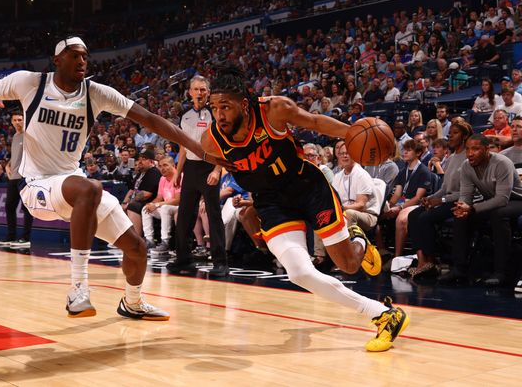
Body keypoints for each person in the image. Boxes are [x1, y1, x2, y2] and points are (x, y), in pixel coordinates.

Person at [0, 36, 225, 320]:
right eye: (74, 55)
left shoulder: (95, 93)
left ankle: (133, 302)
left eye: (85, 56)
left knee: (137, 248)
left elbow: (150, 119)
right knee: (90, 188)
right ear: (57, 60)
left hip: (73, 183)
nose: (81, 61)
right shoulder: (31, 82)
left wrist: (200, 150)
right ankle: (78, 289)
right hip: (36, 184)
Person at [201, 65, 408, 352]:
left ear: (245, 104)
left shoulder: (274, 109)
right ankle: (384, 314)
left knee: (348, 266)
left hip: (307, 186)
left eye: (225, 106)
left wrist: (357, 134)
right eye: (213, 107)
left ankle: (358, 237)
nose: (219, 114)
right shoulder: (212, 138)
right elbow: (211, 157)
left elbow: (315, 122)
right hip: (271, 202)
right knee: (299, 273)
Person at [439, 135, 522, 287]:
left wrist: (471, 208)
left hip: (516, 200)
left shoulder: (502, 163)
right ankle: (459, 268)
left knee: (499, 214)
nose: (470, 153)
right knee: (460, 216)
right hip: (493, 201)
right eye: (468, 149)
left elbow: (502, 199)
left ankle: (500, 272)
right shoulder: (466, 166)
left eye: (475, 149)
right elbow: (466, 196)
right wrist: (462, 208)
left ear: (486, 150)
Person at [169, 75, 228, 277]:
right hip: (191, 170)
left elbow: (223, 145)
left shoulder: (216, 113)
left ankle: (220, 262)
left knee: (213, 214)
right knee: (185, 215)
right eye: (196, 89)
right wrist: (178, 171)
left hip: (210, 166)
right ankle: (183, 259)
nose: (200, 93)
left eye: (203, 89)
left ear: (208, 92)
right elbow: (183, 147)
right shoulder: (185, 116)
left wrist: (217, 170)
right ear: (190, 92)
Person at [407, 118, 472, 280]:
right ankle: (423, 261)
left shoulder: (468, 158)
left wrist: (440, 201)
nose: (450, 136)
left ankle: (433, 261)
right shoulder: (450, 158)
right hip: (446, 198)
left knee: (425, 218)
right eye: (450, 133)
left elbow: (465, 192)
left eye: (455, 133)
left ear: (464, 136)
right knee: (413, 215)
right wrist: (430, 198)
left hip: (459, 201)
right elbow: (444, 188)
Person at [0, 111, 33, 247]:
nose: (18, 122)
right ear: (11, 122)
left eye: (20, 119)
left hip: (26, 177)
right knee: (9, 207)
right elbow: (15, 156)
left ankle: (25, 238)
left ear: (24, 120)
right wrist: (8, 166)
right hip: (14, 177)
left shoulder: (29, 135)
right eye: (15, 120)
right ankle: (11, 236)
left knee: (26, 208)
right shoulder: (15, 137)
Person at [142, 156, 181, 253]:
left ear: (173, 165)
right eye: (160, 166)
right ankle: (149, 240)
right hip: (165, 207)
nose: (162, 168)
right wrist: (152, 204)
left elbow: (177, 200)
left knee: (164, 208)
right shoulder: (162, 179)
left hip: (178, 207)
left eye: (165, 165)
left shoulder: (179, 176)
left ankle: (165, 241)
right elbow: (159, 197)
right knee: (145, 209)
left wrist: (157, 205)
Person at [122, 149, 160, 239]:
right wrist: (124, 202)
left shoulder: (153, 172)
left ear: (151, 161)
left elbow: (147, 194)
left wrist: (130, 201)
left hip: (149, 202)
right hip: (137, 200)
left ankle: (136, 239)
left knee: (132, 206)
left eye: (143, 159)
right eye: (140, 159)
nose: (140, 161)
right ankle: (124, 238)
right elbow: (131, 190)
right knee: (121, 206)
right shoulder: (141, 173)